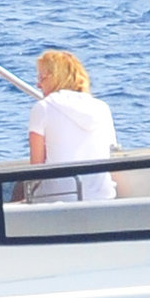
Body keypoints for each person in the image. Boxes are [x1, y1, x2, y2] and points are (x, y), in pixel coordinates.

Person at [15, 50, 117, 203]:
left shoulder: (43, 108)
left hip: (57, 198)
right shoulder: (102, 108)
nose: (38, 84)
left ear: (55, 78)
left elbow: (36, 168)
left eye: (41, 77)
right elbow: (110, 152)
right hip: (102, 196)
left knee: (19, 186)